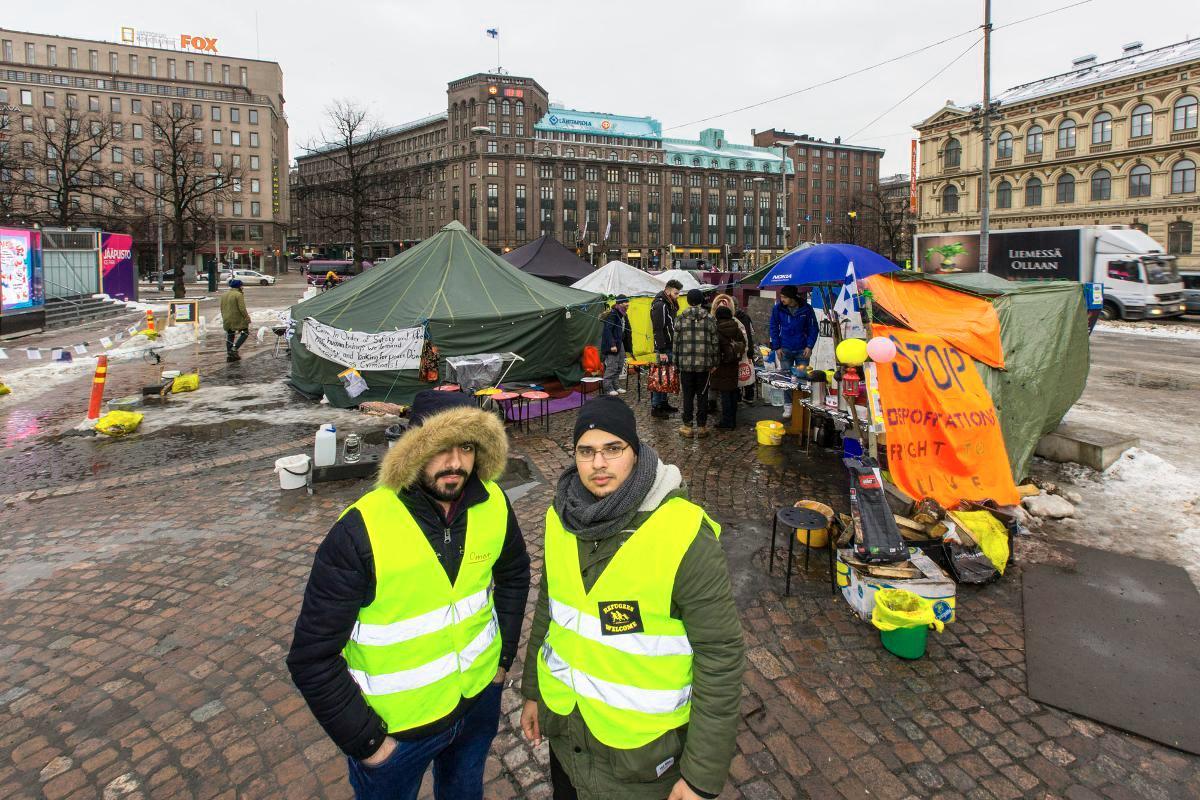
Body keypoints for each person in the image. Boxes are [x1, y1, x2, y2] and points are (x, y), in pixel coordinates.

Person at [287, 391, 531, 800]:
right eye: (440, 448)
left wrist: (502, 662)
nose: (455, 463)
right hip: (396, 733)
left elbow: (515, 575)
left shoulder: (493, 505)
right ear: (413, 449)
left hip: (475, 708)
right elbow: (311, 657)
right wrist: (370, 745)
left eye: (467, 447)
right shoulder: (361, 529)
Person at [519, 397, 745, 800]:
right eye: (586, 452)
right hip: (568, 741)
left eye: (613, 449)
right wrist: (534, 692)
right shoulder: (561, 518)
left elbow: (720, 654)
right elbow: (549, 612)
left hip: (642, 764)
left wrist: (700, 777)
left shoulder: (684, 534)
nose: (599, 464)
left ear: (635, 453)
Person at [673, 289, 719, 438]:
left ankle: (687, 426)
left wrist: (676, 363)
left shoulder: (680, 319)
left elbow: (676, 343)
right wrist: (715, 362)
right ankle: (702, 426)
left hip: (685, 364)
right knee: (702, 395)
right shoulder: (710, 319)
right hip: (704, 364)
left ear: (688, 301)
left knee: (687, 395)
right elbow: (715, 343)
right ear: (701, 301)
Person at [768, 285, 819, 419]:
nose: (781, 299)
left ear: (792, 297)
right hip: (785, 350)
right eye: (781, 296)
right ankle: (788, 406)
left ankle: (799, 407)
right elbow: (773, 327)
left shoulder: (806, 309)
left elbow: (814, 328)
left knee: (801, 378)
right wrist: (777, 347)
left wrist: (809, 346)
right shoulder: (778, 308)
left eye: (784, 297)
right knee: (786, 380)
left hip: (802, 350)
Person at [710, 294, 756, 403]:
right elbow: (748, 337)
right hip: (735, 358)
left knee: (728, 388)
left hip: (724, 361)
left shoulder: (717, 323)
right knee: (733, 385)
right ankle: (741, 399)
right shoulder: (741, 319)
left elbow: (746, 337)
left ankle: (717, 404)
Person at [649, 279, 684, 418]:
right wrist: (661, 350)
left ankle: (663, 403)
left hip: (670, 345)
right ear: (668, 291)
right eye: (676, 293)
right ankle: (656, 407)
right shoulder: (660, 305)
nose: (678, 295)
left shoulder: (669, 303)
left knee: (667, 376)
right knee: (660, 377)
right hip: (664, 347)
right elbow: (658, 329)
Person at [710, 306, 746, 430]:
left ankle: (727, 422)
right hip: (734, 363)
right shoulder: (736, 328)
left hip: (721, 365)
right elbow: (743, 344)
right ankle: (733, 420)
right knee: (732, 391)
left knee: (725, 394)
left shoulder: (716, 329)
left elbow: (714, 348)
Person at [599, 295, 633, 396]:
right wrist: (612, 345)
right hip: (612, 344)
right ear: (619, 303)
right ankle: (608, 388)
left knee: (619, 365)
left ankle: (615, 385)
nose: (627, 304)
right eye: (625, 302)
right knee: (612, 366)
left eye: (628, 302)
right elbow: (607, 330)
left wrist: (628, 346)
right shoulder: (613, 314)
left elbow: (627, 330)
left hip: (620, 343)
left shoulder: (623, 314)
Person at [220, 279, 250, 362]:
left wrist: (224, 317)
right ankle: (234, 348)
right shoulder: (238, 295)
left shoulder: (224, 295)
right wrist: (247, 317)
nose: (242, 287)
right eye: (241, 285)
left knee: (230, 334)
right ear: (238, 286)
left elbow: (222, 308)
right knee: (245, 332)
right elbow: (242, 308)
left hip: (227, 318)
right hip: (237, 318)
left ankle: (230, 352)